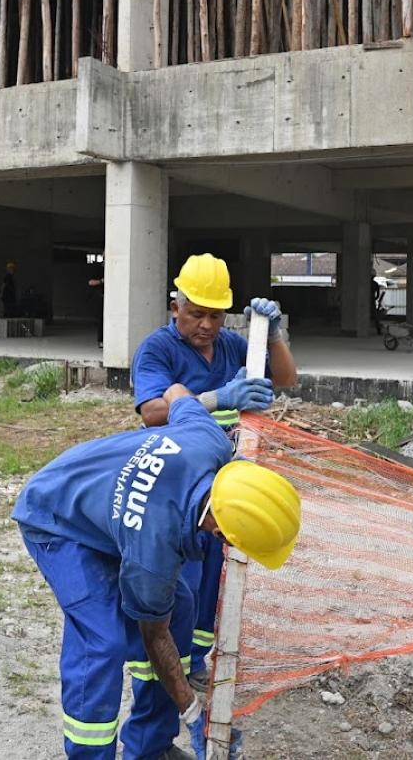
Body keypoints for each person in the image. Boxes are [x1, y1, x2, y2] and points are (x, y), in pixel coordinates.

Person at [13, 388, 301, 759]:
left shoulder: (208, 438)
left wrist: (219, 397)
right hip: (55, 515)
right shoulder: (154, 554)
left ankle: (150, 746)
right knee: (102, 640)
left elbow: (179, 394)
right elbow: (154, 636)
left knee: (179, 607)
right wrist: (194, 712)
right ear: (220, 532)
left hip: (98, 496)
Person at [131, 253, 299, 686]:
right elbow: (152, 412)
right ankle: (169, 660)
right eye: (196, 313)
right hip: (178, 486)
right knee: (180, 578)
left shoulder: (228, 346)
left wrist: (275, 336)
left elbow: (285, 378)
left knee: (212, 576)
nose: (206, 325)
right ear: (176, 308)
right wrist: (218, 398)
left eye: (216, 315)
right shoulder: (157, 349)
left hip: (224, 482)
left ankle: (196, 659)